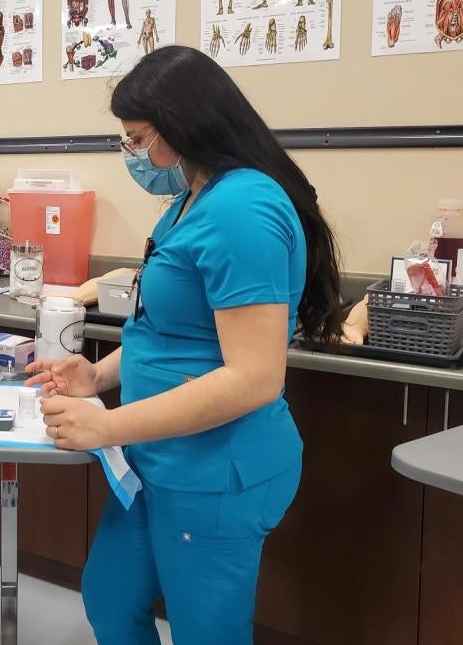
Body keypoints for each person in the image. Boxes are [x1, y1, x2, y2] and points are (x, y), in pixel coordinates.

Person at [27, 45, 344, 644]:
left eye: (139, 138)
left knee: (208, 634)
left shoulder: (241, 207)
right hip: (158, 458)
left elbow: (254, 377)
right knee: (111, 602)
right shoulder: (188, 203)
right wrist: (96, 378)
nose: (132, 154)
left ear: (186, 122)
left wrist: (106, 427)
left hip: (214, 471)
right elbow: (166, 335)